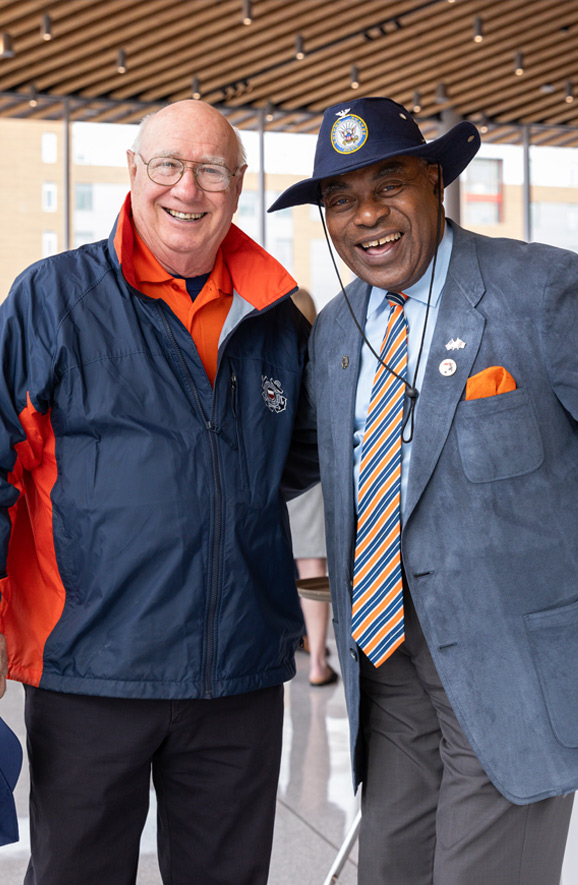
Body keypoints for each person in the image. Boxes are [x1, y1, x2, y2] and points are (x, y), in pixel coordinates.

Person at [269, 96, 578, 884]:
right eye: (341, 200)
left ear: (435, 183)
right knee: (389, 870)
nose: (367, 216)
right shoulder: (339, 332)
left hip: (514, 672)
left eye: (388, 185)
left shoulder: (540, 291)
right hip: (387, 670)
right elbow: (296, 463)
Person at [0, 99, 316, 884]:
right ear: (133, 174)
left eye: (211, 169)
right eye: (168, 165)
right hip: (91, 667)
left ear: (238, 185)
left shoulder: (277, 319)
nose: (189, 188)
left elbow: (291, 459)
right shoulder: (53, 299)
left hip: (237, 673)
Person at [287, 290, 336, 687]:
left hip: (275, 472)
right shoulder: (321, 351)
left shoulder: (271, 352)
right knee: (311, 569)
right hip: (312, 475)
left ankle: (292, 645)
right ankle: (318, 660)